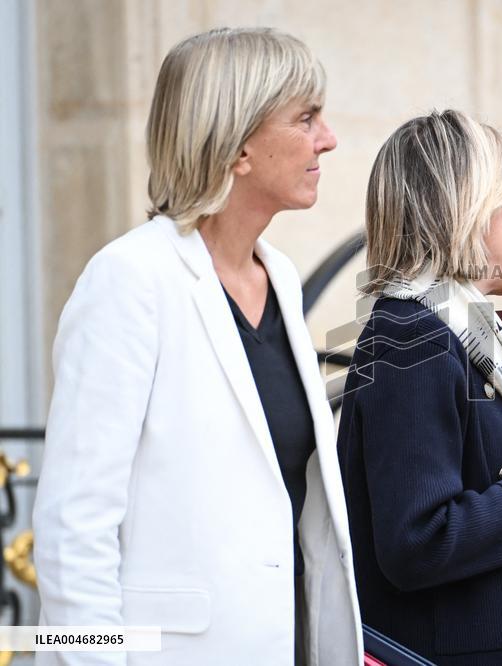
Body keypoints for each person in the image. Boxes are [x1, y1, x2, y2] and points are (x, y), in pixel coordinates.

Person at [33, 28, 361, 665]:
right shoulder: (129, 280)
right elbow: (75, 527)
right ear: (239, 146)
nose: (328, 138)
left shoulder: (283, 279)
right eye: (306, 118)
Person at [337, 109, 502, 665]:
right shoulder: (413, 334)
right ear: (472, 213)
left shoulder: (459, 329)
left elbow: (479, 495)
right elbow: (418, 541)